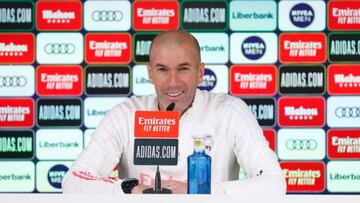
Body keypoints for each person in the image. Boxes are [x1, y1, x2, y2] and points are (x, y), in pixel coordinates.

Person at [62, 30, 286, 194]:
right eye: (162, 70)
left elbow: (274, 183)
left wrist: (202, 192)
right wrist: (130, 189)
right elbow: (73, 182)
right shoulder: (126, 115)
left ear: (200, 73)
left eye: (183, 69)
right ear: (150, 73)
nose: (172, 82)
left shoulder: (230, 112)